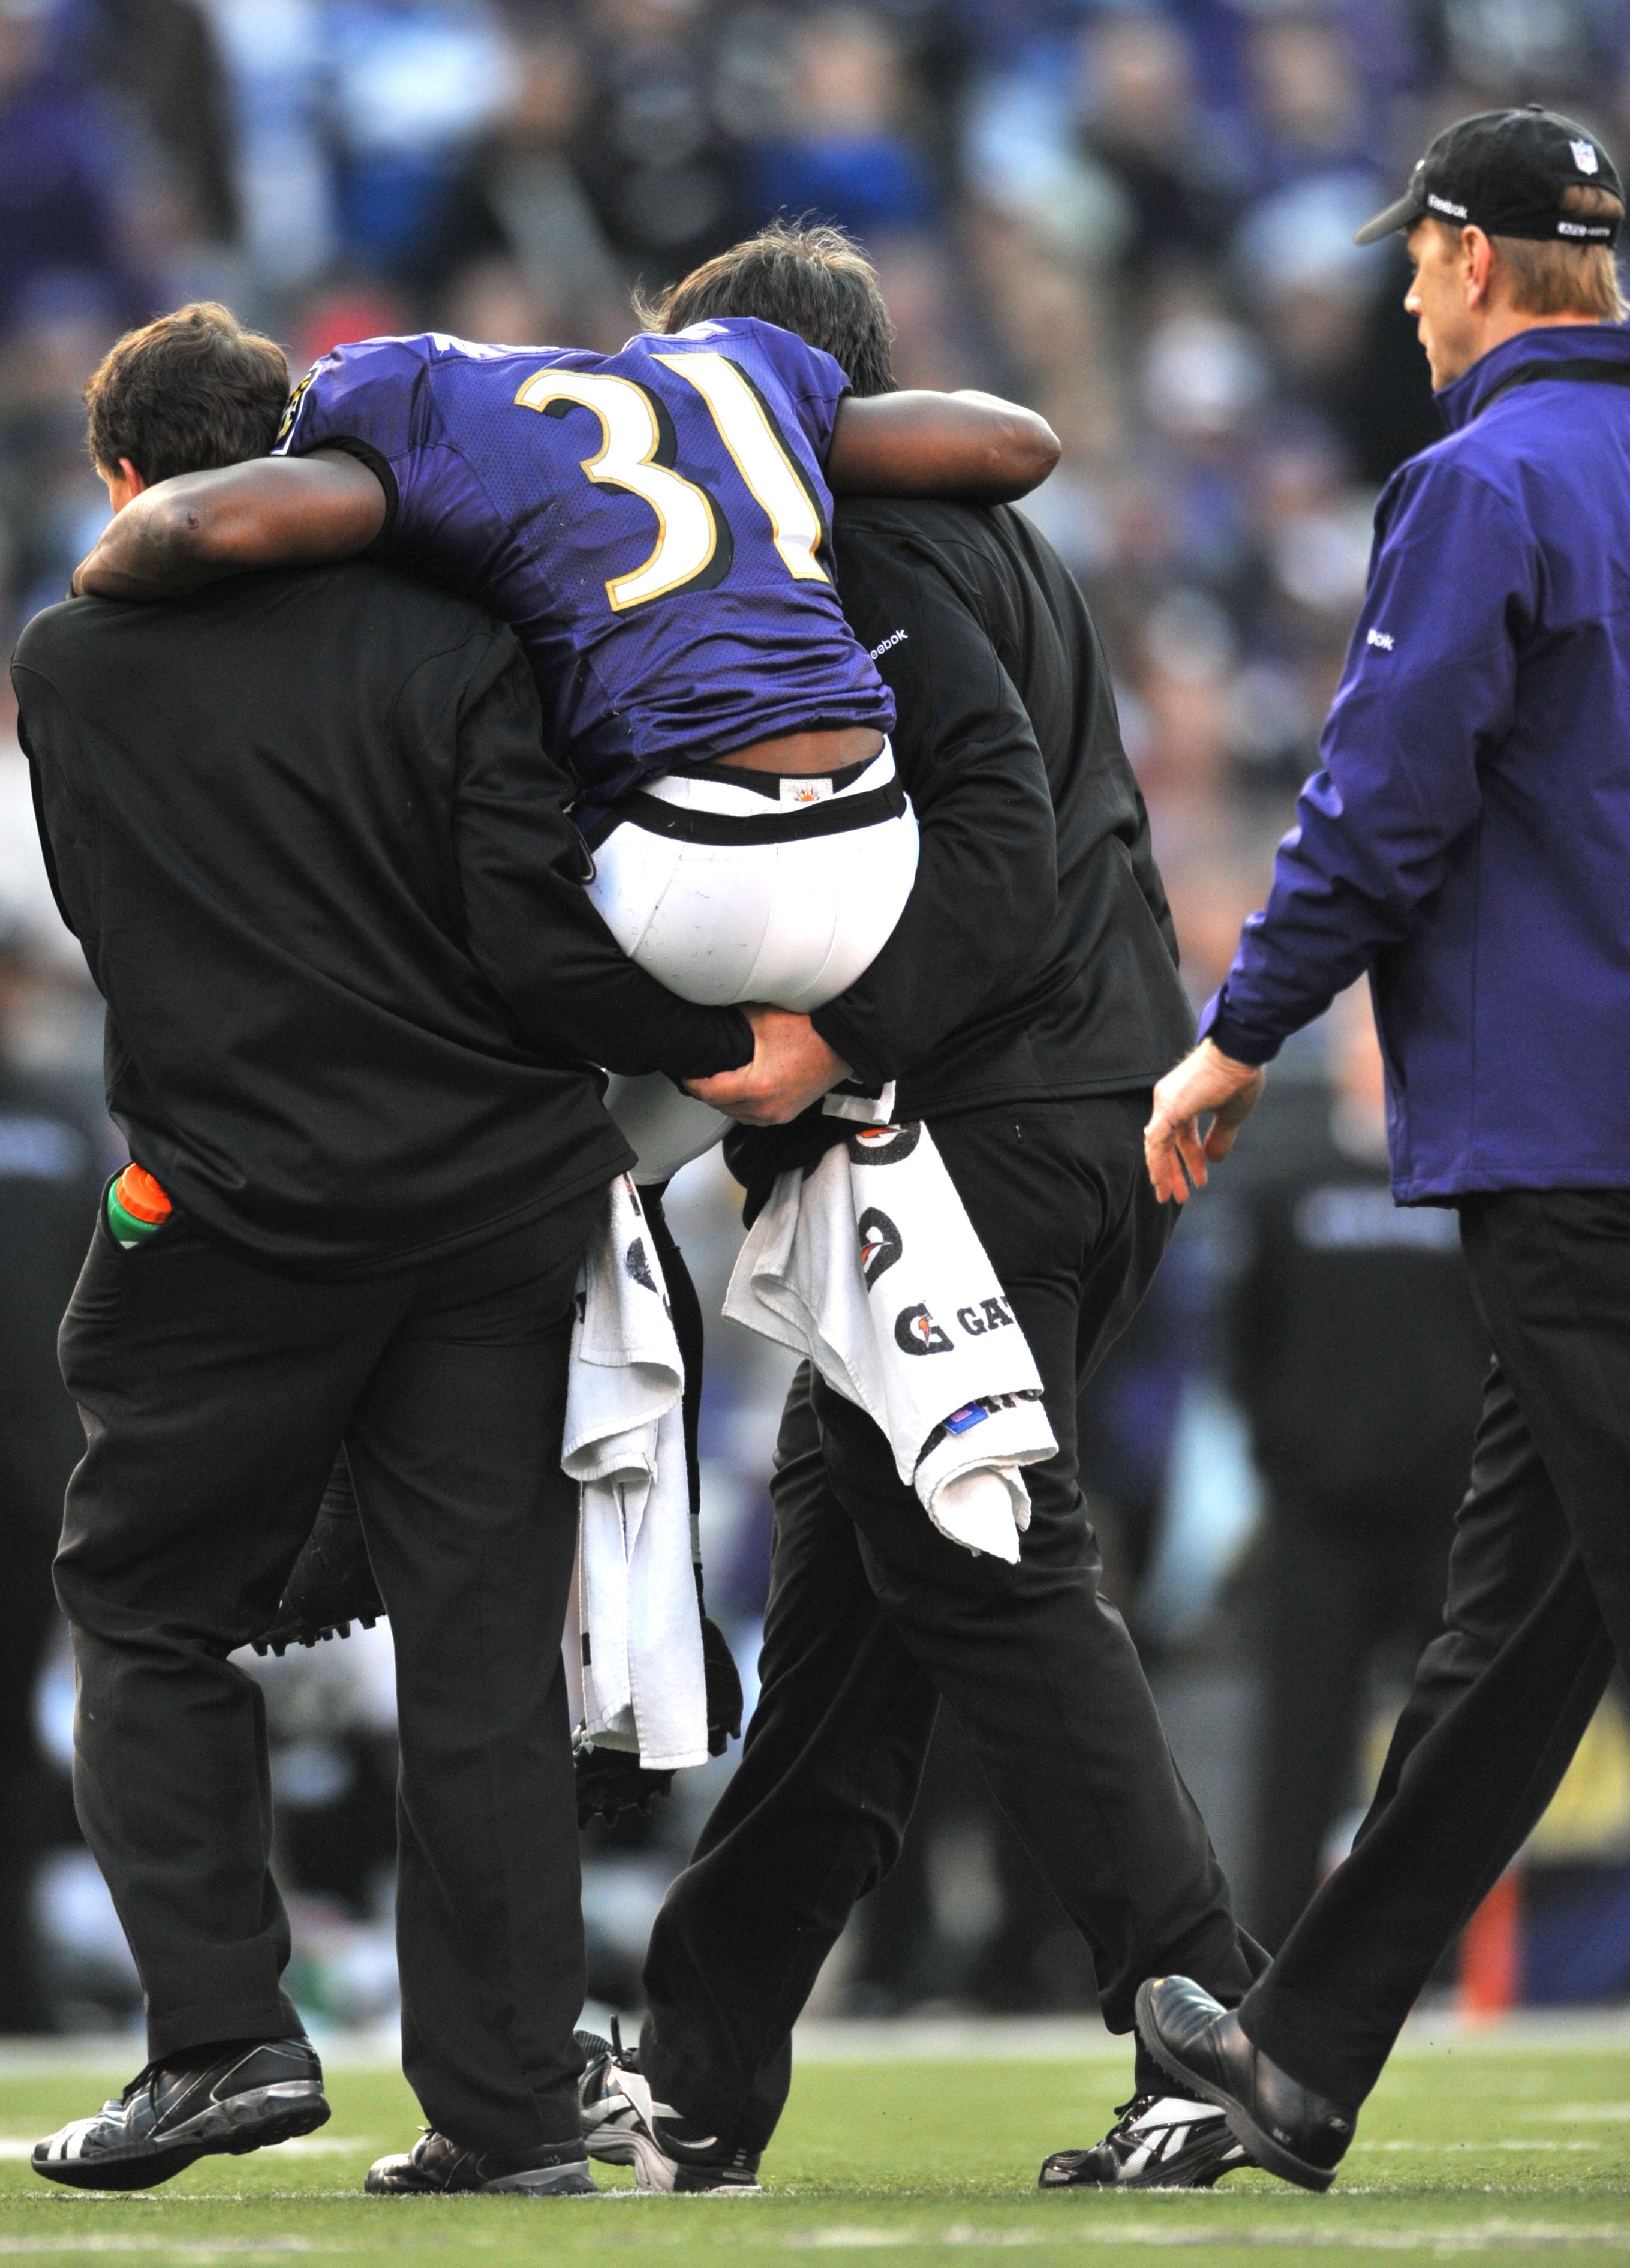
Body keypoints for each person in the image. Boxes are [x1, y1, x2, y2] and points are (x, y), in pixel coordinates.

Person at [17, 304, 788, 2198]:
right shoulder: (458, 640)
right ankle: (515, 2109)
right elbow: (535, 943)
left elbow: (126, 936)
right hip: (487, 1211)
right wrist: (714, 1049)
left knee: (144, 1606)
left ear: (126, 482)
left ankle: (224, 2041)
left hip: (237, 1215)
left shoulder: (74, 665)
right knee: (477, 1661)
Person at [572, 238, 1267, 2197]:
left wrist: (824, 1047)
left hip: (971, 1134)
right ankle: (702, 2065)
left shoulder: (852, 555)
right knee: (851, 1625)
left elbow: (983, 845)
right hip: (1071, 1122)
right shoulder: (982, 536)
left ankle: (1207, 2003)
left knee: (983, 1565)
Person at [1135, 105, 1630, 2190]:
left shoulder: (1484, 476)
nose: (1403, 294)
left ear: (1471, 251)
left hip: (1574, 1129)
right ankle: (1301, 2046)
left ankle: (1294, 2041)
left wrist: (1233, 1033)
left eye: (1416, 259)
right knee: (1520, 1628)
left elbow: (1384, 792)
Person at [68, 235, 1059, 1182]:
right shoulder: (729, 373)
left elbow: (195, 519)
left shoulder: (409, 406)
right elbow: (1018, 441)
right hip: (877, 862)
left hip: (685, 873)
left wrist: (87, 577)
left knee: (475, 991)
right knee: (642, 1151)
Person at [1223, 984, 1481, 1951]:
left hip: (1451, 1517)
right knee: (1300, 1750)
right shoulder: (1289, 1187)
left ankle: (1436, 1953)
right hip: (1318, 1516)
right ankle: (1271, 1958)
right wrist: (1284, 1451)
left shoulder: (1468, 1182)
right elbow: (1244, 1340)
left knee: (1448, 1748)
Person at [0, 918, 106, 2034]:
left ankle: (4, 1981)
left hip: (25, 1476)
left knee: (1, 1735)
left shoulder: (60, 1119)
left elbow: (108, 1275)